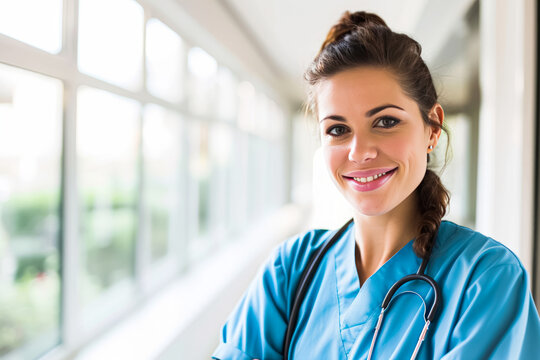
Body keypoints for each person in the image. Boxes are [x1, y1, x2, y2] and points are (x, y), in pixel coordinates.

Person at [212, 11, 540, 359]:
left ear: (431, 128)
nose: (360, 152)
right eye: (338, 129)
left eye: (385, 121)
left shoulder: (486, 280)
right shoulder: (290, 270)